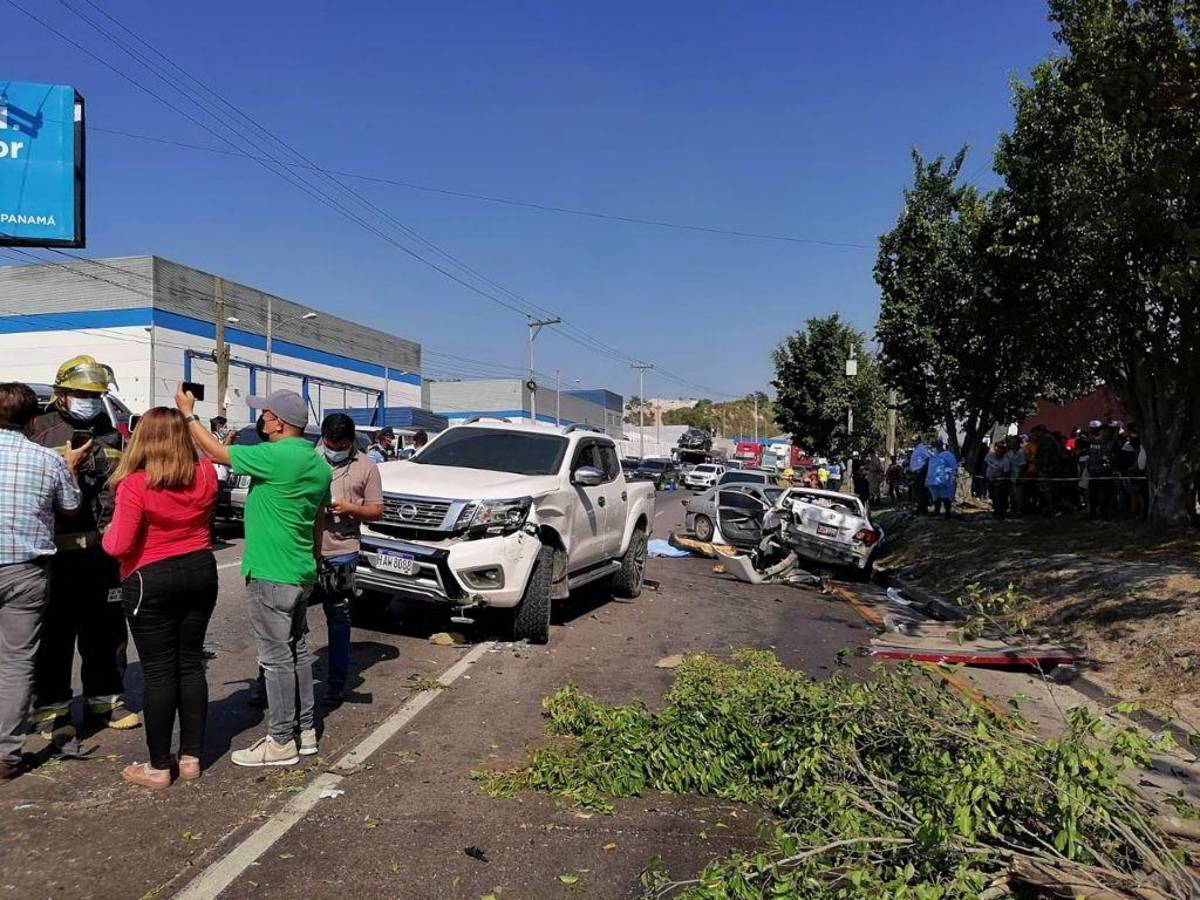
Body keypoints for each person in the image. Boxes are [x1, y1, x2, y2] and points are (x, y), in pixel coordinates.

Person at [177, 386, 331, 767]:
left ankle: (280, 740)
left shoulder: (275, 456)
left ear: (278, 422)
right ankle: (306, 730)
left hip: (270, 571)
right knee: (296, 651)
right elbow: (318, 519)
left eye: (265, 414)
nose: (260, 419)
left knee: (276, 657)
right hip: (299, 569)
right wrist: (314, 556)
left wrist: (188, 415)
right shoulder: (318, 464)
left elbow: (215, 453)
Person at [101, 408, 219, 790]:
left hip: (150, 577)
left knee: (158, 671)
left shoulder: (136, 484)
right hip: (200, 570)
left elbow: (117, 544)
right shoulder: (205, 474)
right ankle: (191, 757)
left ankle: (157, 766)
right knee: (190, 664)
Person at [29, 355, 138, 741]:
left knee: (106, 630)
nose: (88, 400)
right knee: (54, 633)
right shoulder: (39, 431)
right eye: (81, 393)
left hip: (101, 551)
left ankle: (105, 700)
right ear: (61, 393)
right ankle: (52, 707)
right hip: (53, 553)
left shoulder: (111, 433)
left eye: (95, 394)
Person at [0, 384, 87, 780]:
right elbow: (70, 506)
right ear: (33, 420)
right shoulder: (44, 459)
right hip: (24, 571)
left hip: (24, 569)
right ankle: (7, 753)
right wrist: (68, 466)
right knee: (16, 664)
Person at [315, 414, 383, 704]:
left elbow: (376, 510)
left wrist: (350, 508)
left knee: (338, 619)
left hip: (343, 552)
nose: (334, 450)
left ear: (350, 442)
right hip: (307, 550)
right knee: (285, 620)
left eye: (340, 445)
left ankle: (336, 685)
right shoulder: (310, 459)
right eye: (330, 444)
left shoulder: (366, 467)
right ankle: (267, 684)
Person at [925, 439, 958, 517]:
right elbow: (930, 468)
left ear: (938, 447)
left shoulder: (948, 455)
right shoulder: (933, 456)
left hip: (944, 481)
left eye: (933, 447)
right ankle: (937, 511)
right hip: (932, 481)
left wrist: (953, 476)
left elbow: (953, 467)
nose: (932, 449)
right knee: (935, 497)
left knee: (946, 497)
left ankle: (947, 513)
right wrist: (927, 479)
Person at [984, 440, 1011, 517]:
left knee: (998, 496)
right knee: (992, 496)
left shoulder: (1006, 460)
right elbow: (985, 465)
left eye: (1002, 448)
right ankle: (995, 510)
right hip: (989, 478)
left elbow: (1006, 472)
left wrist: (1000, 481)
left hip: (998, 481)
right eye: (999, 448)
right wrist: (984, 476)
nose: (1000, 450)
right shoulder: (989, 455)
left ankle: (1000, 512)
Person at [908, 438, 932, 513]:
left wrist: (921, 469)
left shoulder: (922, 448)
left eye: (914, 441)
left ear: (918, 441)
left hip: (921, 472)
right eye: (913, 441)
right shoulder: (917, 449)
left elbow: (928, 459)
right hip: (916, 472)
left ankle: (922, 508)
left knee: (919, 490)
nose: (913, 442)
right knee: (916, 490)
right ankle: (920, 507)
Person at [1007, 435, 1027, 515]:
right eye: (1012, 442)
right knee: (1011, 495)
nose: (1013, 444)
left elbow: (1023, 466)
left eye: (1015, 442)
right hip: (1011, 476)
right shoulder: (1010, 452)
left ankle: (1019, 511)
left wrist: (1020, 477)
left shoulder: (1021, 452)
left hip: (1018, 476)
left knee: (1018, 495)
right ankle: (1012, 509)